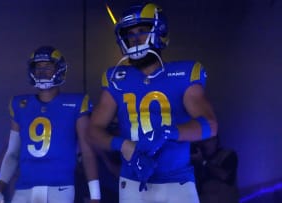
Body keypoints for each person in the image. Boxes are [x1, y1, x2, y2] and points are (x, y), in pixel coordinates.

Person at [88, 2, 218, 203]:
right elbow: (93, 130)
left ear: (159, 32)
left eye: (141, 31)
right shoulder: (117, 78)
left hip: (178, 181)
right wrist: (122, 145)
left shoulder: (183, 74)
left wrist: (170, 132)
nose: (135, 38)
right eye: (130, 33)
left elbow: (210, 125)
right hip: (132, 182)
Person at [0, 46, 100, 203]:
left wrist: (95, 195)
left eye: (48, 66)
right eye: (38, 67)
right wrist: (0, 188)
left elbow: (87, 151)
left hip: (61, 187)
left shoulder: (76, 103)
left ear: (59, 69)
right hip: (25, 187)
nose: (42, 71)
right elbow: (12, 152)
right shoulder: (20, 104)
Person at [190, 136, 239, 203]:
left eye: (207, 140)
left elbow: (225, 176)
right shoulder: (198, 162)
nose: (205, 144)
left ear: (215, 140)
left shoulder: (228, 154)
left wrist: (203, 162)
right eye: (202, 141)